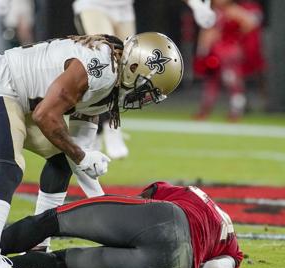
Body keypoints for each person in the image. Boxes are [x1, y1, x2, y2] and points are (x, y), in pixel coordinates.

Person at [0, 32, 184, 268]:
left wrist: (104, 203)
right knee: (8, 166)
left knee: (61, 162)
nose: (145, 99)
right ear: (133, 66)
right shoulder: (99, 67)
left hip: (22, 102)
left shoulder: (112, 82)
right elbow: (46, 116)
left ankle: (38, 245)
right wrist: (82, 157)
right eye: (148, 89)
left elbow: (77, 152)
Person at [0, 181, 243, 268]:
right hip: (175, 266)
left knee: (52, 221)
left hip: (168, 218)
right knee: (62, 263)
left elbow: (143, 199)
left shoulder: (183, 192)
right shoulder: (230, 241)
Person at [72, 0, 216, 159]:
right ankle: (109, 126)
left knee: (127, 67)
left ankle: (100, 127)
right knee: (107, 59)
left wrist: (196, 5)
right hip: (94, 5)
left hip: (124, 9)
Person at [193, 0, 263, 121]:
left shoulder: (234, 10)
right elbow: (206, 33)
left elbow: (250, 24)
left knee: (233, 82)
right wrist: (202, 51)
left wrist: (234, 36)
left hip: (229, 53)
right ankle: (204, 110)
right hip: (214, 53)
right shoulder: (212, 12)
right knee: (211, 83)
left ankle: (236, 112)